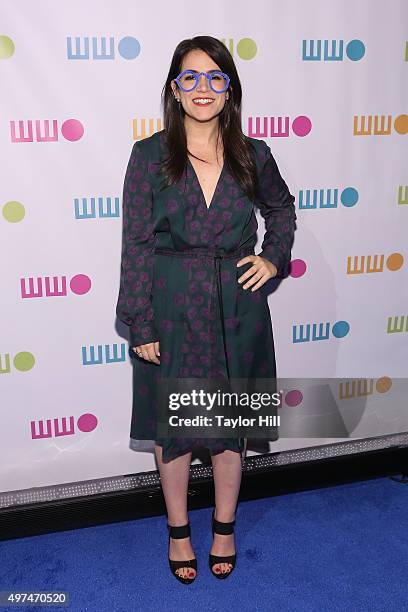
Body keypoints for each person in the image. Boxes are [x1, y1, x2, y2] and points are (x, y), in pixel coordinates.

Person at [116, 35, 297, 584]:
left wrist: (273, 258)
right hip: (170, 305)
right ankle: (177, 531)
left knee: (227, 429)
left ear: (230, 88)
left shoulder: (254, 153)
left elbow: (282, 210)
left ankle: (223, 527)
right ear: (174, 88)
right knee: (175, 428)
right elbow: (136, 244)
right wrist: (140, 321)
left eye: (215, 77)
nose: (203, 88)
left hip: (237, 308)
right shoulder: (148, 156)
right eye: (190, 77)